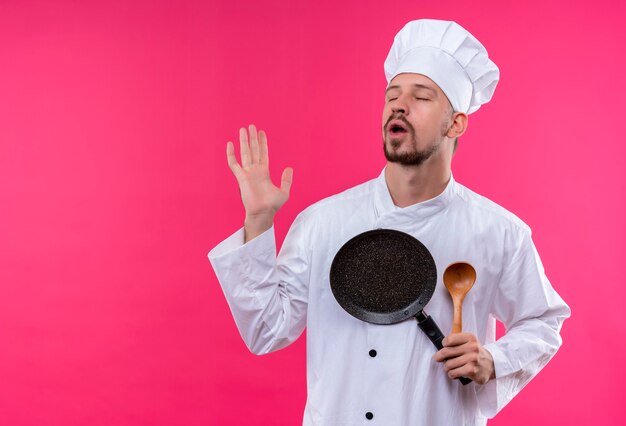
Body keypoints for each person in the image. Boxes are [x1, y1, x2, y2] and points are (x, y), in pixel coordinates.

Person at [209, 19, 570, 426]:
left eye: (421, 97)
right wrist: (257, 221)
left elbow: (543, 322)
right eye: (392, 95)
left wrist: (493, 359)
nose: (399, 105)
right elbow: (265, 329)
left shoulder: (499, 233)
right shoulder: (323, 223)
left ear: (456, 123)